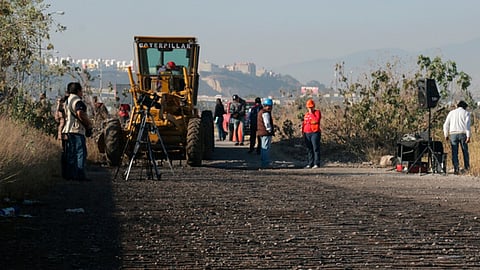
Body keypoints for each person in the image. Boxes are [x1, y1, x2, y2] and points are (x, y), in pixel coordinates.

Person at [62, 82, 93, 181]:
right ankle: (80, 175)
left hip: (68, 129)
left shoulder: (67, 100)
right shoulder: (77, 101)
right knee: (80, 152)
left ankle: (70, 174)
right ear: (78, 91)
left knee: (71, 152)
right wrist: (88, 125)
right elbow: (80, 113)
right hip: (77, 129)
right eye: (81, 90)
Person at [443, 100, 471, 175]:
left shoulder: (451, 113)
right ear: (464, 107)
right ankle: (467, 168)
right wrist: (468, 136)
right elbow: (467, 125)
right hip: (463, 133)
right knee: (465, 151)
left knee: (454, 152)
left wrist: (446, 134)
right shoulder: (466, 113)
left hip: (453, 134)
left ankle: (456, 168)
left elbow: (445, 124)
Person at [302, 99, 322, 169]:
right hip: (307, 133)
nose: (310, 108)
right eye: (309, 107)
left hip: (315, 133)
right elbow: (304, 124)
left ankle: (316, 163)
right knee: (309, 149)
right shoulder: (306, 115)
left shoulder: (317, 112)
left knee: (315, 148)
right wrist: (303, 133)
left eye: (311, 107)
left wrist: (311, 114)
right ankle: (310, 163)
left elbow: (316, 120)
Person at [257, 98, 274, 168]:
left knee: (263, 148)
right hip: (265, 133)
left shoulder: (261, 111)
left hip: (261, 132)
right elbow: (267, 123)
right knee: (266, 148)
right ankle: (265, 163)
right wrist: (269, 130)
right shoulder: (265, 113)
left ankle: (264, 162)